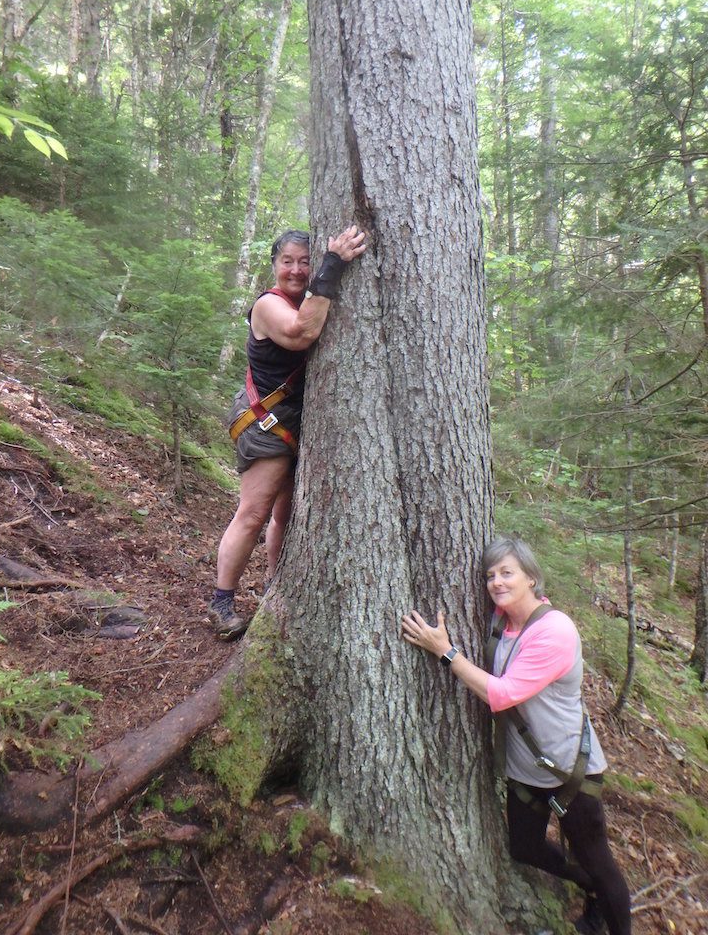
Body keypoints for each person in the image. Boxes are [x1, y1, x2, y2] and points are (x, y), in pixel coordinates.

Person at [401, 535, 631, 935]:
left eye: (507, 573)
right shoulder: (500, 620)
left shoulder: (554, 631)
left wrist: (446, 652)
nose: (497, 582)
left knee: (599, 861)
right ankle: (591, 890)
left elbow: (502, 694)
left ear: (532, 579)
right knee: (524, 848)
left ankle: (610, 916)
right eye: (491, 575)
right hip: (524, 771)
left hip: (569, 772)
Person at [210, 224, 366, 641]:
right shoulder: (268, 305)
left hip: (296, 425)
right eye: (287, 262)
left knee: (285, 515)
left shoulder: (308, 299)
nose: (296, 270)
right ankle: (221, 602)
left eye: (305, 261)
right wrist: (333, 264)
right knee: (254, 513)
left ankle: (275, 590)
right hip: (266, 423)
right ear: (275, 266)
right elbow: (301, 332)